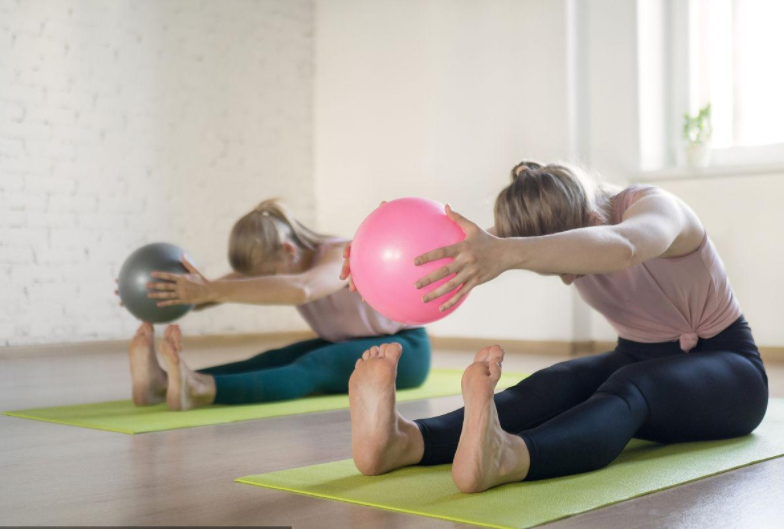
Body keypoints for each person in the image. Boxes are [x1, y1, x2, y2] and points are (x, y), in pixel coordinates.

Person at [344, 161, 768, 493]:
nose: (567, 278)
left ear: (592, 220)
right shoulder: (559, 220)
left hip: (731, 374)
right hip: (636, 354)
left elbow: (624, 246)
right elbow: (445, 255)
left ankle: (511, 456)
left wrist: (508, 254)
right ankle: (405, 442)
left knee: (633, 387)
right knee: (552, 384)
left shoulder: (658, 209)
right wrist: (374, 261)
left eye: (566, 266)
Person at [126, 199, 430, 411]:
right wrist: (158, 294)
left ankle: (201, 389)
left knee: (314, 365)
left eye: (269, 274)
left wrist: (208, 289)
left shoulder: (339, 252)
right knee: (273, 358)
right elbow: (209, 295)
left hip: (404, 350)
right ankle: (162, 384)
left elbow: (304, 288)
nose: (265, 282)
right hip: (346, 343)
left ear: (288, 249)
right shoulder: (282, 257)